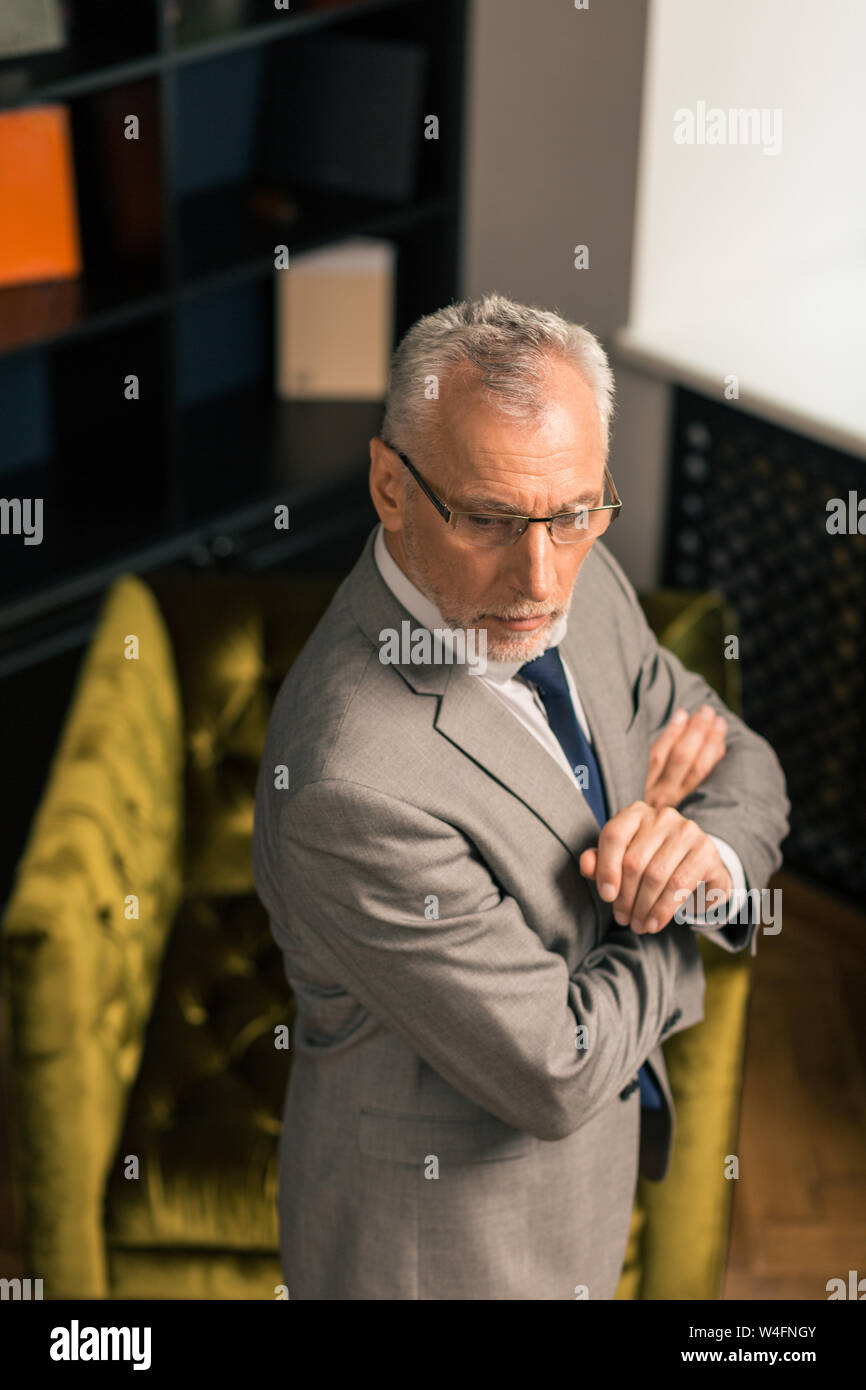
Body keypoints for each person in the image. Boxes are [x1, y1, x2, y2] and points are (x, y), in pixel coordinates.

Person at [252, 292, 790, 1300]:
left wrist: (702, 858)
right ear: (389, 485)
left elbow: (737, 756)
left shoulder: (582, 577)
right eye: (489, 519)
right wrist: (678, 919)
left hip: (584, 1193)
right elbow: (557, 1064)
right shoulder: (348, 786)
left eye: (574, 514)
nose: (540, 579)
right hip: (442, 1250)